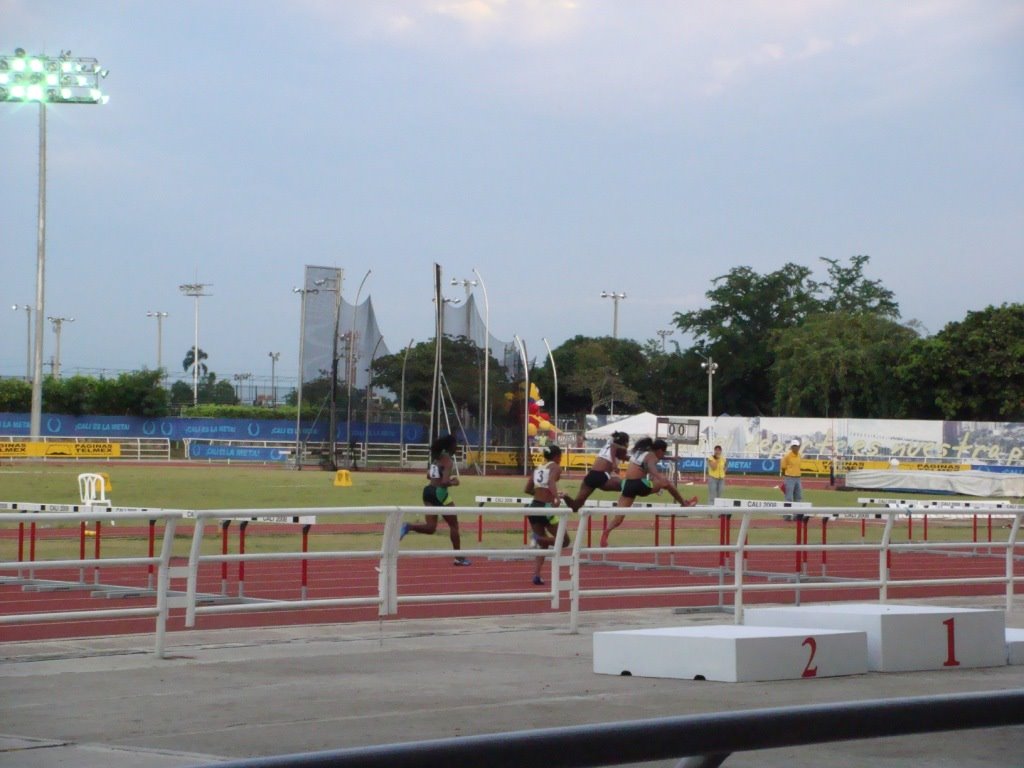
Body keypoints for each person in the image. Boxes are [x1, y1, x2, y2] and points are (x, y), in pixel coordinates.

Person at [601, 437, 698, 547]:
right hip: (639, 485)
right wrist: (659, 478)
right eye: (664, 452)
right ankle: (684, 503)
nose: (663, 455)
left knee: (618, 518)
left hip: (627, 485)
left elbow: (652, 459)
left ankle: (606, 533)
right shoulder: (651, 456)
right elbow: (652, 466)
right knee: (667, 483)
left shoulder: (640, 452)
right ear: (659, 450)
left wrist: (670, 458)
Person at [401, 433, 470, 566]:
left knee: (431, 528)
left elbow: (429, 475)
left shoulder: (435, 458)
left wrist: (443, 479)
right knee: (454, 525)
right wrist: (454, 482)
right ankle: (459, 558)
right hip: (440, 493)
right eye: (456, 446)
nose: (457, 449)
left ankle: (409, 526)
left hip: (428, 491)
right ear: (450, 446)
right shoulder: (448, 461)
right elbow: (444, 482)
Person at [524, 444, 570, 586]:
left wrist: (542, 494)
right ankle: (538, 538)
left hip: (534, 506)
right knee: (564, 541)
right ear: (557, 456)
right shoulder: (555, 467)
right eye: (561, 456)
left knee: (543, 546)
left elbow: (527, 489)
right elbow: (551, 481)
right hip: (546, 508)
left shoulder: (538, 467)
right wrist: (555, 497)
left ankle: (536, 575)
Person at [561, 431, 630, 513]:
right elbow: (614, 447)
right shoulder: (619, 448)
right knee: (629, 486)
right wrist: (614, 464)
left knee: (575, 506)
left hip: (591, 475)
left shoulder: (608, 445)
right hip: (602, 475)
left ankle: (564, 496)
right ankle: (622, 507)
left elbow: (625, 457)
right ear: (625, 442)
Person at [781, 438, 803, 503]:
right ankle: (788, 513)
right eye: (794, 446)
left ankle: (797, 512)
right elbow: (783, 467)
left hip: (798, 478)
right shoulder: (787, 456)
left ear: (799, 447)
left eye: (796, 446)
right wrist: (786, 478)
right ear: (791, 447)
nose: (795, 448)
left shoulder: (799, 455)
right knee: (789, 497)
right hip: (789, 478)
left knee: (798, 497)